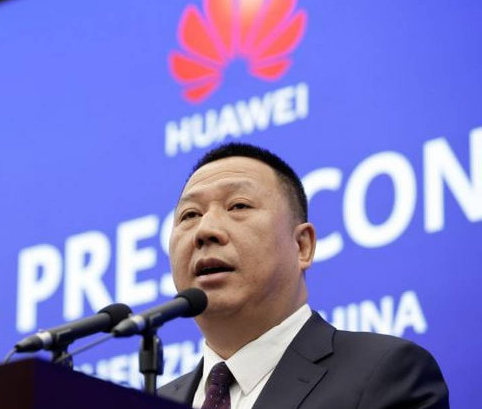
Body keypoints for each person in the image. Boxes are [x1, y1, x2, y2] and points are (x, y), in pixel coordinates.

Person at [157, 143, 449, 408]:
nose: (206, 230)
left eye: (238, 206)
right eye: (190, 215)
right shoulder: (149, 402)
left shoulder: (385, 373)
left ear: (302, 246)